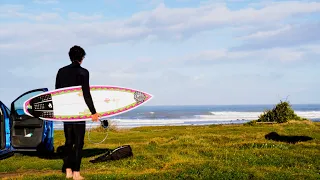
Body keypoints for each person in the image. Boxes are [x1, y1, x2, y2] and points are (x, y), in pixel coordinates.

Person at [55, 45, 100, 180]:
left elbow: (57, 92)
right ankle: (76, 173)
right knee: (79, 142)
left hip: (66, 111)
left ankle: (68, 170)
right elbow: (86, 94)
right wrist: (93, 112)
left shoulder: (61, 71)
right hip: (78, 111)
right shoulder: (83, 72)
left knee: (68, 141)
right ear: (82, 58)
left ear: (70, 57)